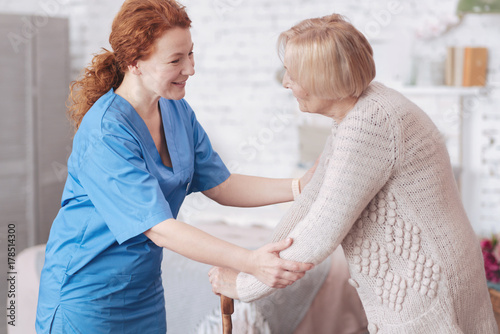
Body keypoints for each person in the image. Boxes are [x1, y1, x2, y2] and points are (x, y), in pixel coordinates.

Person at [34, 1, 316, 333]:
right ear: (134, 63)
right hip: (86, 298)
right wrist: (250, 261)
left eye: (190, 54)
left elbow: (221, 185)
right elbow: (159, 227)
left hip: (143, 293)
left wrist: (300, 186)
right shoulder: (105, 132)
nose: (190, 69)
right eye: (175, 60)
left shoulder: (176, 111)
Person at [209, 14, 498, 334]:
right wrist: (253, 264)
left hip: (424, 290)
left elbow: (321, 230)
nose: (286, 83)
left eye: (292, 74)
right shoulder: (358, 113)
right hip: (433, 276)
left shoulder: (369, 123)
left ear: (321, 78)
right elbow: (311, 202)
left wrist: (246, 286)